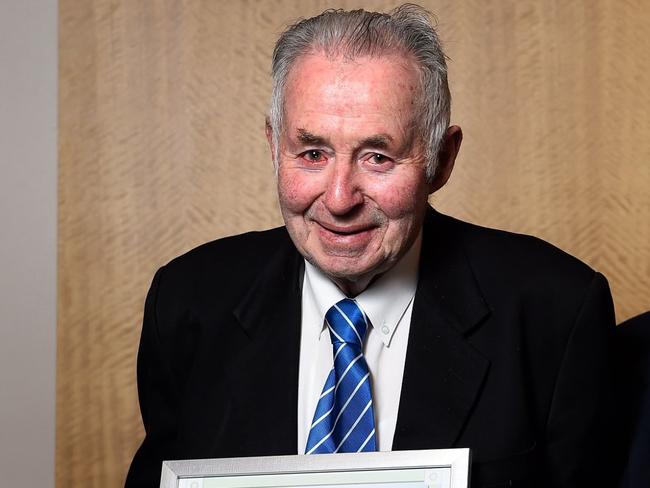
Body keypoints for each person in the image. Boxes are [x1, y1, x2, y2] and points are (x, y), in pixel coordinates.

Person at [125, 5, 618, 487]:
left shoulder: (557, 312)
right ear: (275, 148)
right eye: (313, 153)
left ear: (442, 161)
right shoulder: (188, 303)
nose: (339, 199)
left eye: (378, 157)